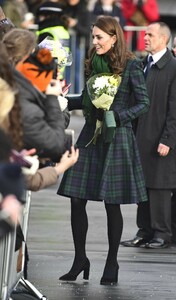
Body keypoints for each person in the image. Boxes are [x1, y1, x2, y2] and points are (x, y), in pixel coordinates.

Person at [57, 15, 150, 285]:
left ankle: (112, 262)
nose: (94, 41)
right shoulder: (92, 63)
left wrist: (118, 117)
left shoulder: (132, 65)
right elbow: (87, 100)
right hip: (90, 134)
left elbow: (143, 103)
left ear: (113, 37)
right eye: (93, 36)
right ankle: (80, 259)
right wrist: (63, 99)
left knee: (112, 203)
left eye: (99, 37)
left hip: (116, 136)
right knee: (76, 198)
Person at [121, 22, 176, 249]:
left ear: (163, 39)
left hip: (161, 138)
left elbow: (175, 109)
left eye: (150, 35)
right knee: (142, 186)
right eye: (144, 34)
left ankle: (162, 233)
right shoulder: (144, 64)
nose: (145, 38)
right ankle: (145, 231)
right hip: (141, 136)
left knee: (160, 186)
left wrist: (168, 139)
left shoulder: (173, 68)